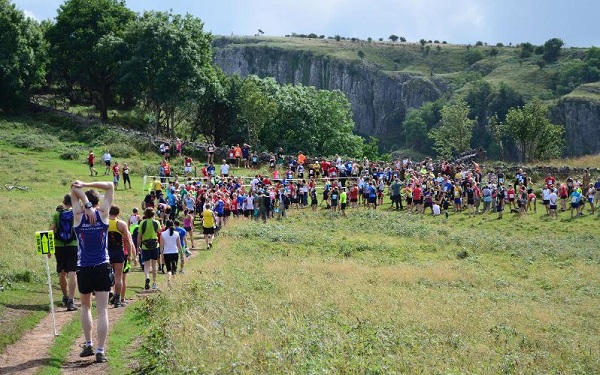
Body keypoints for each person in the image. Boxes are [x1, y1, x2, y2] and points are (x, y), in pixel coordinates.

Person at [70, 180, 115, 363]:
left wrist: (85, 204)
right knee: (102, 310)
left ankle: (88, 343)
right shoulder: (104, 214)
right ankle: (100, 350)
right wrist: (88, 185)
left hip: (84, 267)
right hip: (102, 266)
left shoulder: (79, 215)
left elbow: (73, 188)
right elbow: (110, 185)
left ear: (84, 202)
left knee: (86, 306)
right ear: (99, 202)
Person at [49, 195, 78, 311]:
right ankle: (71, 300)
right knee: (72, 272)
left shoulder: (57, 214)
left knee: (61, 271)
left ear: (64, 202)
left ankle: (65, 297)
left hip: (58, 245)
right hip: (73, 245)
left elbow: (51, 230)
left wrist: (49, 250)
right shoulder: (76, 214)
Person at [107, 205, 134, 308]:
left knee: (107, 274)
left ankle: (109, 292)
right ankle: (118, 299)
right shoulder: (122, 224)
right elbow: (127, 240)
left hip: (107, 251)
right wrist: (130, 254)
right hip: (118, 250)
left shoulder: (104, 222)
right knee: (119, 276)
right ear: (118, 213)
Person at [137, 208, 161, 290]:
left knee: (146, 264)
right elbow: (159, 231)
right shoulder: (156, 222)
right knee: (154, 264)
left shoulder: (142, 223)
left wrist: (138, 246)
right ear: (153, 214)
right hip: (154, 245)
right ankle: (154, 283)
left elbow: (139, 236)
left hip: (145, 246)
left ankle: (147, 277)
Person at [160, 221, 182, 287]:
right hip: (175, 252)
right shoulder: (176, 233)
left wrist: (162, 255)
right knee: (174, 268)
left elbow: (161, 246)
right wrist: (181, 253)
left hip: (166, 253)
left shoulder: (163, 234)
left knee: (168, 269)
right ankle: (174, 282)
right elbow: (179, 245)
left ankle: (169, 280)